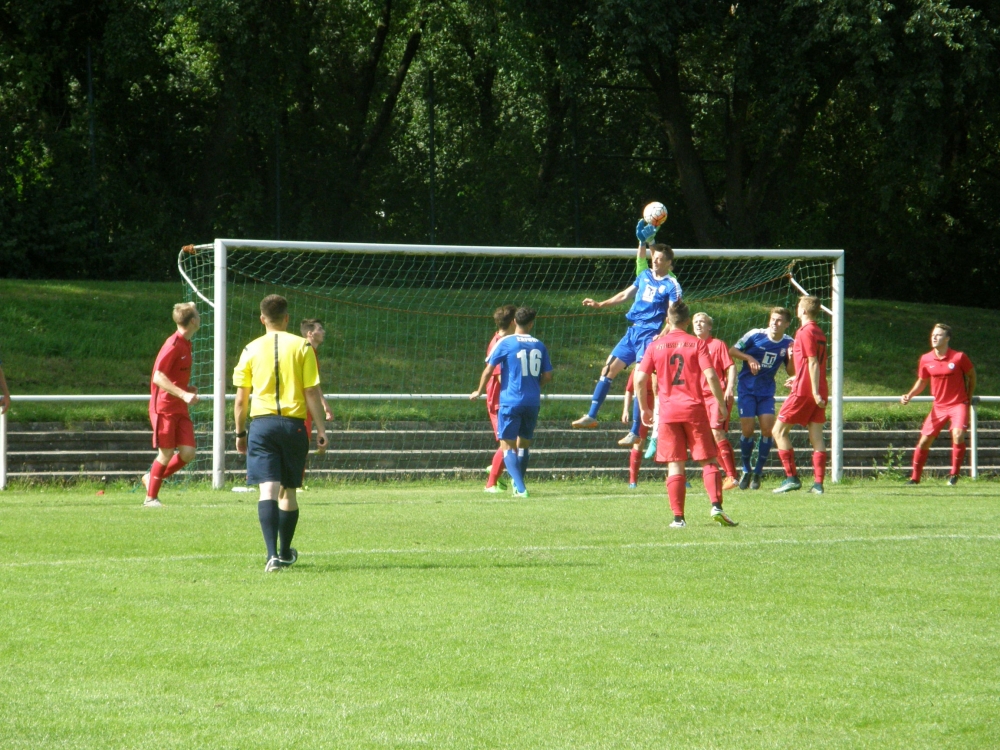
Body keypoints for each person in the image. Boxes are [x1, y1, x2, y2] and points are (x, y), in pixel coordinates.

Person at [234, 295, 328, 572]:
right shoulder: (302, 347)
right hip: (293, 424)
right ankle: (286, 552)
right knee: (289, 491)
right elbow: (311, 391)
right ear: (287, 318)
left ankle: (271, 555)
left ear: (262, 319)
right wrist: (321, 429)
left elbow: (241, 400)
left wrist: (240, 434)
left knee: (268, 489)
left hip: (262, 426)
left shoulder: (250, 349)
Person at [635, 301, 738, 528]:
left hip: (669, 412)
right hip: (694, 409)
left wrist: (644, 408)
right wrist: (721, 404)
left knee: (675, 464)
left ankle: (678, 519)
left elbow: (640, 379)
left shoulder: (655, 346)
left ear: (667, 320)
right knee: (708, 460)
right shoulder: (697, 344)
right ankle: (716, 506)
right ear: (688, 321)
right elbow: (711, 376)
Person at [572, 240, 681, 429]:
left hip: (650, 334)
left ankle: (635, 430)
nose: (655, 262)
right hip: (633, 332)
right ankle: (591, 415)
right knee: (607, 369)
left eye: (660, 259)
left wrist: (662, 335)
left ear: (669, 264)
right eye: (654, 258)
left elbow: (674, 316)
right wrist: (600, 304)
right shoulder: (644, 275)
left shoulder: (672, 285)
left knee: (640, 380)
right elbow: (624, 295)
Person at [470, 307, 553, 498]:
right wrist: (533, 385)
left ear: (515, 322)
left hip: (510, 400)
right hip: (532, 402)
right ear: (531, 323)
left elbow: (489, 369)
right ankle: (517, 486)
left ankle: (520, 488)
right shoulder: (539, 345)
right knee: (523, 445)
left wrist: (479, 390)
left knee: (507, 446)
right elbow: (548, 375)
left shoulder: (505, 342)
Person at [900, 323, 976, 486]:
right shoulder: (926, 359)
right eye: (933, 335)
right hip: (939, 406)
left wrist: (968, 397)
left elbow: (972, 376)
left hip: (958, 404)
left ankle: (954, 475)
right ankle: (915, 478)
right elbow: (922, 381)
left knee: (958, 435)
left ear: (947, 338)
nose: (934, 337)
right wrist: (909, 395)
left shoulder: (959, 357)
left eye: (939, 335)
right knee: (924, 441)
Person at [141, 302, 200, 508]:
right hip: (164, 407)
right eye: (198, 314)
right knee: (165, 453)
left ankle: (151, 478)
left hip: (179, 406)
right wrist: (183, 394)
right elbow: (158, 376)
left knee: (188, 453)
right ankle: (150, 498)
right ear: (193, 321)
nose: (200, 317)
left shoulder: (186, 343)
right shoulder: (173, 344)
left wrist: (186, 388)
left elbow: (172, 376)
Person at [729, 308, 795, 490]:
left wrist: (791, 357)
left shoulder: (789, 343)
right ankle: (746, 468)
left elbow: (791, 371)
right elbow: (732, 350)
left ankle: (758, 471)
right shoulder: (755, 335)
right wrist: (748, 357)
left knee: (767, 430)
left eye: (780, 320)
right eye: (773, 319)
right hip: (746, 390)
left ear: (787, 324)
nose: (775, 323)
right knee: (748, 430)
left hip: (766, 392)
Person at [772, 296, 828, 494]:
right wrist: (798, 377)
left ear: (803, 311)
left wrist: (810, 390)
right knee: (817, 437)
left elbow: (813, 362)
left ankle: (791, 477)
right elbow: (816, 365)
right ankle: (818, 484)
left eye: (798, 307)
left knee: (778, 431)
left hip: (806, 391)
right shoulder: (820, 332)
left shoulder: (804, 332)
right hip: (820, 388)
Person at [279, 318, 334, 501]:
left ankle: (292, 482)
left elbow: (314, 383)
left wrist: (324, 403)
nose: (323, 331)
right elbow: (309, 386)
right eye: (320, 329)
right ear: (310, 333)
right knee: (298, 445)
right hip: (300, 406)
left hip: (304, 405)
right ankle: (290, 483)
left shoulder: (311, 352)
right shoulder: (304, 350)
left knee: (302, 444)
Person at [692, 312, 739, 490]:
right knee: (708, 438)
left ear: (709, 327)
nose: (698, 324)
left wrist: (730, 387)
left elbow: (731, 366)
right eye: (695, 321)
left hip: (715, 396)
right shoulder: (691, 345)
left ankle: (731, 476)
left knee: (716, 433)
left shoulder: (717, 345)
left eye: (702, 322)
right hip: (697, 398)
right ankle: (727, 475)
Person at [483, 305, 517, 493]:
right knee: (508, 443)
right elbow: (499, 375)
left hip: (508, 399)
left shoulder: (509, 341)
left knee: (513, 442)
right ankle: (491, 482)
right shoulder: (499, 343)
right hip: (499, 400)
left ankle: (497, 469)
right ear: (513, 322)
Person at [621, 369, 654, 488]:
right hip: (643, 409)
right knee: (639, 442)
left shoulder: (661, 366)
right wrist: (625, 410)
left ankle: (681, 478)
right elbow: (629, 390)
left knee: (672, 442)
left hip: (661, 407)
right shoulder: (637, 369)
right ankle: (633, 481)